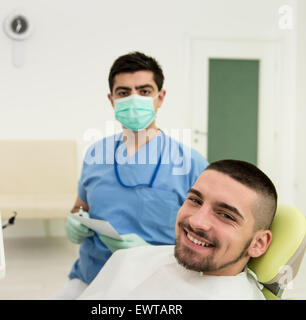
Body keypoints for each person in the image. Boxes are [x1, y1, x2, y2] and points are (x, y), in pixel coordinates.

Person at [52, 52, 209, 299]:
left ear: (161, 98)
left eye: (145, 91)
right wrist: (75, 223)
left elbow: (206, 239)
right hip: (91, 278)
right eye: (124, 93)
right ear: (112, 100)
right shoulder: (96, 154)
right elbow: (79, 208)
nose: (134, 99)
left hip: (158, 284)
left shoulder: (191, 163)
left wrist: (155, 255)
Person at [78, 159, 277, 300]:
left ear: (258, 244)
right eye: (195, 200)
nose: (197, 221)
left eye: (225, 215)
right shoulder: (136, 259)